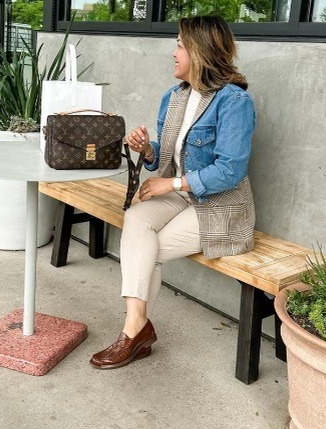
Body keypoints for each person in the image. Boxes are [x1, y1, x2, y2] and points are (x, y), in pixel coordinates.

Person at [90, 15, 256, 370]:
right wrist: (147, 150)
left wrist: (173, 183)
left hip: (220, 205)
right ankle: (137, 328)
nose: (174, 52)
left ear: (200, 51)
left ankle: (133, 332)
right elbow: (166, 159)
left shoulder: (234, 103)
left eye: (180, 44)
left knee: (146, 249)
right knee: (136, 218)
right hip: (182, 196)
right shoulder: (175, 97)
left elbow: (230, 170)